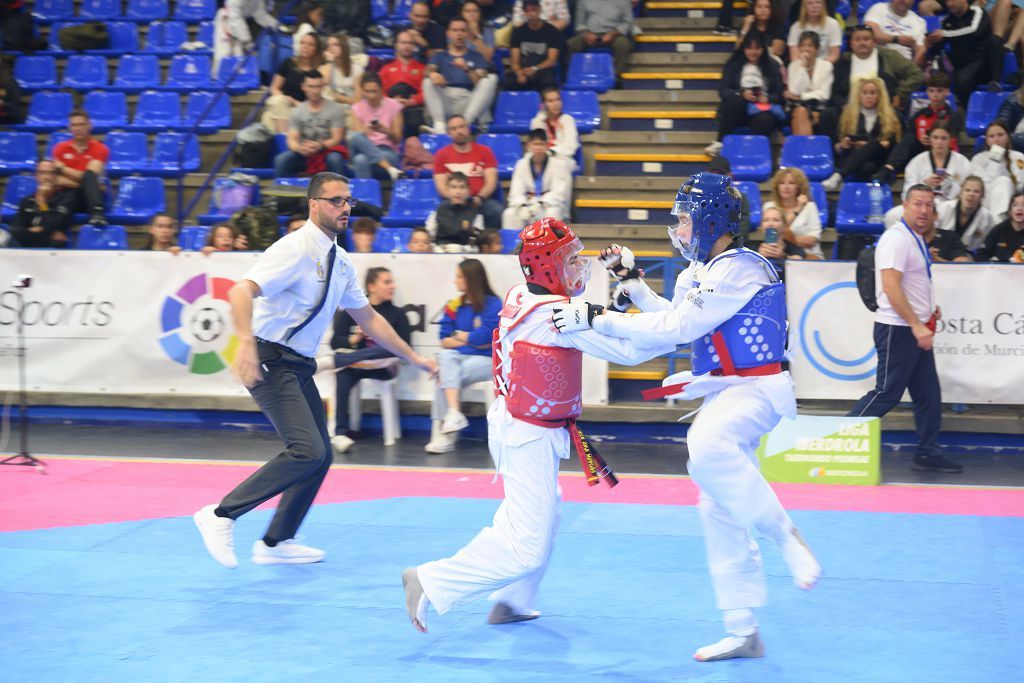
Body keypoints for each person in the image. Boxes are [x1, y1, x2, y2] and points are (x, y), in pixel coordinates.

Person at [548, 173, 822, 661]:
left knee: (706, 445)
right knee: (716, 501)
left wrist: (596, 317)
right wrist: (630, 283)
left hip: (758, 388)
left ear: (711, 219)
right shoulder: (699, 272)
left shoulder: (742, 267)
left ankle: (787, 536)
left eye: (683, 218)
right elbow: (669, 324)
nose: (677, 227)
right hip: (724, 390)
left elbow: (680, 325)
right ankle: (742, 629)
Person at [402, 218, 677, 633]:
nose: (577, 268)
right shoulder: (554, 314)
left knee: (544, 513)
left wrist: (614, 306)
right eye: (567, 261)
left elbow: (583, 323)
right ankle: (428, 580)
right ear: (545, 267)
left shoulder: (522, 293)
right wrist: (630, 298)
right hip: (527, 433)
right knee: (526, 549)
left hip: (519, 422)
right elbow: (633, 352)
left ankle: (513, 601)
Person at [193, 171, 437, 569]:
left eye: (348, 201)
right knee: (307, 450)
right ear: (314, 205)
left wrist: (415, 357)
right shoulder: (295, 248)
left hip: (298, 364)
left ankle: (276, 542)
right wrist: (245, 346)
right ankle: (220, 515)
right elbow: (240, 291)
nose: (345, 208)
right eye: (335, 201)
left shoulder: (340, 261)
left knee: (319, 456)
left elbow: (370, 319)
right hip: (271, 359)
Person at [848, 185, 962, 473]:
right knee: (886, 393)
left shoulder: (916, 239)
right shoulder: (896, 239)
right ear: (905, 205)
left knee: (928, 395)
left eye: (929, 206)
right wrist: (915, 324)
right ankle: (837, 438)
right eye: (918, 204)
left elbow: (910, 283)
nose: (924, 211)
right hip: (899, 328)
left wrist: (927, 310)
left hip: (913, 326)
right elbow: (889, 286)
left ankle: (927, 452)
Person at [318, 266, 413, 453]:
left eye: (392, 282)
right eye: (387, 282)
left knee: (385, 348)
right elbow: (336, 342)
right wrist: (354, 339)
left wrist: (381, 339)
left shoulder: (397, 314)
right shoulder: (352, 310)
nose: (392, 286)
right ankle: (340, 433)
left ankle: (336, 361)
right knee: (342, 375)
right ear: (372, 286)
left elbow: (405, 349)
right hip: (357, 366)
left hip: (383, 367)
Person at [423, 259, 501, 454]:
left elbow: (487, 337)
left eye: (459, 277)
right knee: (447, 356)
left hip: (487, 360)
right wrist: (471, 339)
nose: (454, 281)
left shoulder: (493, 303)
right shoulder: (455, 304)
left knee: (444, 374)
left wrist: (460, 335)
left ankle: (443, 435)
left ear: (471, 279)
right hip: (458, 358)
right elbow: (443, 338)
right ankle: (454, 413)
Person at [818, 24, 923, 138]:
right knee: (827, 114)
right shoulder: (843, 62)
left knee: (896, 116)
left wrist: (900, 93)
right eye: (858, 40)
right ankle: (835, 151)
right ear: (851, 43)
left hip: (882, 109)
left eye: (866, 39)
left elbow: (916, 74)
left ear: (874, 42)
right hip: (849, 109)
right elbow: (835, 92)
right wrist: (844, 105)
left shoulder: (889, 57)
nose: (862, 43)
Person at [704, 31, 784, 157]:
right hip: (738, 108)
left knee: (765, 119)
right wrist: (742, 93)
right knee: (734, 100)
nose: (753, 52)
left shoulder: (773, 65)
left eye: (757, 48)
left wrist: (767, 98)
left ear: (763, 49)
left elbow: (779, 94)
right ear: (744, 48)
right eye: (749, 48)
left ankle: (755, 154)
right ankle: (720, 143)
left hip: (760, 108)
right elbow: (723, 91)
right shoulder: (733, 64)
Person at [873, 72, 962, 185]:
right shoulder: (919, 115)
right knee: (909, 137)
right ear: (927, 92)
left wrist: (934, 141)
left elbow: (953, 143)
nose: (935, 95)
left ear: (947, 92)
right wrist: (920, 139)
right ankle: (888, 168)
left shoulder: (953, 117)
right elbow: (906, 142)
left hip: (942, 154)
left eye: (939, 91)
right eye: (931, 90)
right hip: (918, 155)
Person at [822, 77, 902, 190]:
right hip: (855, 157)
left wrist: (869, 145)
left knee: (874, 144)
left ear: (880, 95)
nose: (869, 96)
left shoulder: (891, 116)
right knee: (867, 167)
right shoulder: (849, 115)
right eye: (865, 93)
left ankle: (839, 175)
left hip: (879, 158)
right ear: (859, 95)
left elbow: (891, 143)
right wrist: (844, 144)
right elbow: (842, 140)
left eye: (873, 93)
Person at [422, 17, 499, 134]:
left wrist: (466, 69)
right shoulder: (440, 56)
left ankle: (465, 124)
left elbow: (480, 82)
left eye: (463, 30)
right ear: (448, 33)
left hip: (469, 101)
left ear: (468, 33)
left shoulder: (476, 56)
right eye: (455, 30)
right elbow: (429, 69)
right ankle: (440, 125)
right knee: (427, 81)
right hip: (446, 99)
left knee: (490, 79)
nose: (459, 34)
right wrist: (433, 75)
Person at [925, 0, 1004, 106]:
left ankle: (995, 82)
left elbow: (974, 30)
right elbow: (940, 45)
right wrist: (931, 42)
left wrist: (945, 34)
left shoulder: (977, 12)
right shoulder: (948, 21)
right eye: (947, 1)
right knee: (962, 81)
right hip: (965, 65)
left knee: (995, 40)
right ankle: (966, 112)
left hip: (985, 63)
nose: (949, 4)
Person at [274, 72, 347, 178]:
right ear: (303, 87)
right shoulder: (297, 111)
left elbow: (336, 138)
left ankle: (340, 190)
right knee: (281, 159)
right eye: (311, 87)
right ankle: (279, 191)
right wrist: (300, 148)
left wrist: (320, 146)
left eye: (318, 86)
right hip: (304, 152)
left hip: (326, 151)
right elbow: (291, 140)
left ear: (322, 87)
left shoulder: (335, 109)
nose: (315, 91)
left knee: (334, 159)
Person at [433, 115, 502, 228]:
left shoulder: (485, 152)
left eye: (462, 127)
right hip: (453, 200)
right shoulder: (441, 155)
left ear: (468, 129)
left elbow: (491, 182)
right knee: (442, 211)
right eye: (454, 129)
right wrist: (456, 198)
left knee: (495, 210)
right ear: (449, 133)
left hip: (479, 200)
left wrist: (480, 198)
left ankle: (489, 241)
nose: (459, 131)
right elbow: (441, 187)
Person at [502, 129, 572, 229]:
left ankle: (549, 244)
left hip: (549, 204)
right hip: (528, 204)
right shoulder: (521, 164)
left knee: (552, 213)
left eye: (542, 144)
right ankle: (514, 244)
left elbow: (558, 193)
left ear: (547, 146)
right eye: (535, 144)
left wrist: (541, 203)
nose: (538, 148)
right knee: (509, 214)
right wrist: (523, 205)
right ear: (529, 146)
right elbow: (516, 192)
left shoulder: (558, 164)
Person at [51, 110, 108, 227]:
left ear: (89, 126)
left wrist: (62, 168)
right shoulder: (60, 148)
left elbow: (89, 176)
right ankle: (97, 213)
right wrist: (87, 184)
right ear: (70, 128)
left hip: (87, 199)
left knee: (88, 175)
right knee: (70, 194)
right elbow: (57, 180)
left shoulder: (100, 148)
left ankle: (97, 211)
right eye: (74, 125)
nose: (78, 128)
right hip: (66, 196)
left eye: (81, 125)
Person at [262, 33, 324, 134]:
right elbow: (274, 88)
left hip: (304, 108)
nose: (305, 47)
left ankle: (284, 140)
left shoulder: (319, 70)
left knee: (273, 115)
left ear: (316, 49)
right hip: (284, 102)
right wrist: (285, 99)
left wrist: (294, 102)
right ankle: (284, 139)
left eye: (310, 44)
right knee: (274, 107)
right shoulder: (288, 63)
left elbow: (317, 99)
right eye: (303, 43)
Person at [899, 122, 971, 208]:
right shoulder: (917, 161)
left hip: (952, 207)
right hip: (922, 206)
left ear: (951, 139)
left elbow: (968, 190)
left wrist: (949, 185)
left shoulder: (962, 162)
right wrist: (925, 184)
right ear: (929, 139)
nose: (939, 142)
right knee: (892, 215)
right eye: (935, 137)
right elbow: (907, 192)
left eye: (944, 138)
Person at [348, 72, 404, 182]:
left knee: (360, 160)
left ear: (381, 90)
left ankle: (364, 199)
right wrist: (364, 131)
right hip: (363, 149)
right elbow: (355, 139)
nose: (371, 96)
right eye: (367, 92)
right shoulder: (356, 108)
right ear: (362, 90)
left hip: (387, 150)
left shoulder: (394, 106)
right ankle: (390, 168)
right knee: (355, 136)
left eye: (374, 91)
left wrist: (385, 131)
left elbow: (398, 139)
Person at [213, 0, 292, 75]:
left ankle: (237, 83)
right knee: (223, 56)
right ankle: (216, 81)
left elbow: (260, 15)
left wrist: (277, 26)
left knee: (239, 58)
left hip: (241, 26)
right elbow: (235, 18)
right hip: (226, 23)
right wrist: (246, 40)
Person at [7, 161, 72, 249]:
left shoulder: (64, 200)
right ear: (35, 176)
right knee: (9, 235)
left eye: (51, 173)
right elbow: (17, 228)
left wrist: (42, 201)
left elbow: (50, 225)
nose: (47, 177)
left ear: (56, 176)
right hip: (29, 239)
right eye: (43, 173)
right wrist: (40, 229)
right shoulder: (26, 201)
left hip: (52, 245)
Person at [968, 121, 1024, 222]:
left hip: (1015, 202)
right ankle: (998, 223)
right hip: (987, 201)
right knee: (1002, 181)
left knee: (1004, 181)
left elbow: (1019, 185)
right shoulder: (978, 159)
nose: (996, 139)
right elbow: (985, 187)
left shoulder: (1019, 157)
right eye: (992, 136)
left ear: (1007, 137)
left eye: (1000, 135)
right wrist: (995, 159)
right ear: (987, 141)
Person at [763, 167, 823, 259]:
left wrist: (786, 237)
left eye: (791, 183)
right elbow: (771, 236)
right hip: (776, 253)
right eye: (782, 183)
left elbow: (811, 241)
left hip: (809, 256)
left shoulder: (810, 207)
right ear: (777, 186)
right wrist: (798, 209)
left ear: (798, 187)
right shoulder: (769, 207)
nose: (786, 187)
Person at [503, 0, 561, 92]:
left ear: (540, 10)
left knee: (548, 82)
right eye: (527, 11)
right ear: (524, 13)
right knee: (508, 81)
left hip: (543, 69)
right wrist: (519, 73)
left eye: (534, 10)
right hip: (523, 69)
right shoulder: (518, 32)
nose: (531, 13)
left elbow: (552, 60)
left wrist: (535, 68)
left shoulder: (552, 31)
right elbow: (514, 61)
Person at [379, 30, 428, 139]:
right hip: (390, 108)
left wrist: (412, 101)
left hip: (413, 108)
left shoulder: (422, 68)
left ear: (414, 46)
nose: (406, 46)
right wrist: (392, 102)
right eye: (403, 43)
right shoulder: (386, 69)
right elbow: (379, 92)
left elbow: (426, 92)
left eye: (410, 43)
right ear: (396, 45)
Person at [566, 0, 634, 77]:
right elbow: (579, 23)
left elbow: (627, 22)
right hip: (590, 32)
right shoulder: (583, 1)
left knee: (623, 44)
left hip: (614, 33)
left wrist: (613, 34)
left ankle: (615, 77)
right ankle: (574, 76)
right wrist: (586, 34)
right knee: (572, 43)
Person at [784, 31, 834, 136]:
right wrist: (803, 66)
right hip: (796, 107)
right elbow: (795, 90)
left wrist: (801, 96)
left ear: (817, 49)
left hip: (818, 107)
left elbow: (825, 94)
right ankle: (808, 148)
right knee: (800, 111)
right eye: (802, 46)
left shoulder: (826, 66)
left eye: (810, 46)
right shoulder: (794, 66)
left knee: (801, 113)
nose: (806, 49)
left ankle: (802, 149)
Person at [426, 171, 485, 251]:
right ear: (447, 190)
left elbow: (477, 241)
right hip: (440, 250)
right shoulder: (439, 210)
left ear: (468, 191)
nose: (458, 192)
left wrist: (463, 249)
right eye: (453, 187)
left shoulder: (476, 213)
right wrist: (437, 249)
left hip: (465, 252)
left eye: (462, 187)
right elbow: (429, 235)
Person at [936, 176, 994, 252]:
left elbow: (983, 247)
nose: (971, 194)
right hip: (940, 251)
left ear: (982, 196)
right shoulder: (944, 208)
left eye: (976, 191)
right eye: (967, 190)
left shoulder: (987, 218)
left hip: (967, 257)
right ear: (960, 193)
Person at [529, 87, 580, 172]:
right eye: (550, 101)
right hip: (541, 158)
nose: (556, 104)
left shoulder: (568, 120)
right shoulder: (537, 122)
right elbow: (535, 145)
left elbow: (571, 146)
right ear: (543, 105)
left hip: (563, 159)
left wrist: (550, 152)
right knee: (524, 163)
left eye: (558, 100)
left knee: (558, 165)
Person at [865, 0, 928, 67]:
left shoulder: (919, 21)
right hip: (878, 59)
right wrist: (896, 39)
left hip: (902, 64)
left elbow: (920, 50)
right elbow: (869, 34)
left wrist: (912, 69)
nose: (903, 0)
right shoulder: (879, 8)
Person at [319, 33, 364, 122]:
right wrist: (330, 62)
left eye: (335, 44)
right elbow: (324, 85)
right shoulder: (324, 68)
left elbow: (358, 100)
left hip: (350, 110)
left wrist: (336, 96)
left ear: (344, 47)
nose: (331, 48)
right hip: (328, 109)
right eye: (328, 45)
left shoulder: (357, 70)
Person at [976, 191, 1024, 261]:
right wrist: (992, 266)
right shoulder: (999, 229)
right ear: (1010, 211)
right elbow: (982, 254)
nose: (1019, 208)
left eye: (1023, 205)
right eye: (1015, 205)